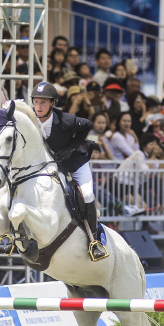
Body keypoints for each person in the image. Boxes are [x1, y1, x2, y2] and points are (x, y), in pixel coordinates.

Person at [30, 81, 105, 260]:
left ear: (53, 104)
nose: (38, 107)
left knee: (86, 194)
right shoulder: (29, 121)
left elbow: (87, 124)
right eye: (36, 102)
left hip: (74, 162)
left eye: (43, 102)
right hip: (49, 166)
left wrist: (71, 148)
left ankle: (94, 240)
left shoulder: (65, 120)